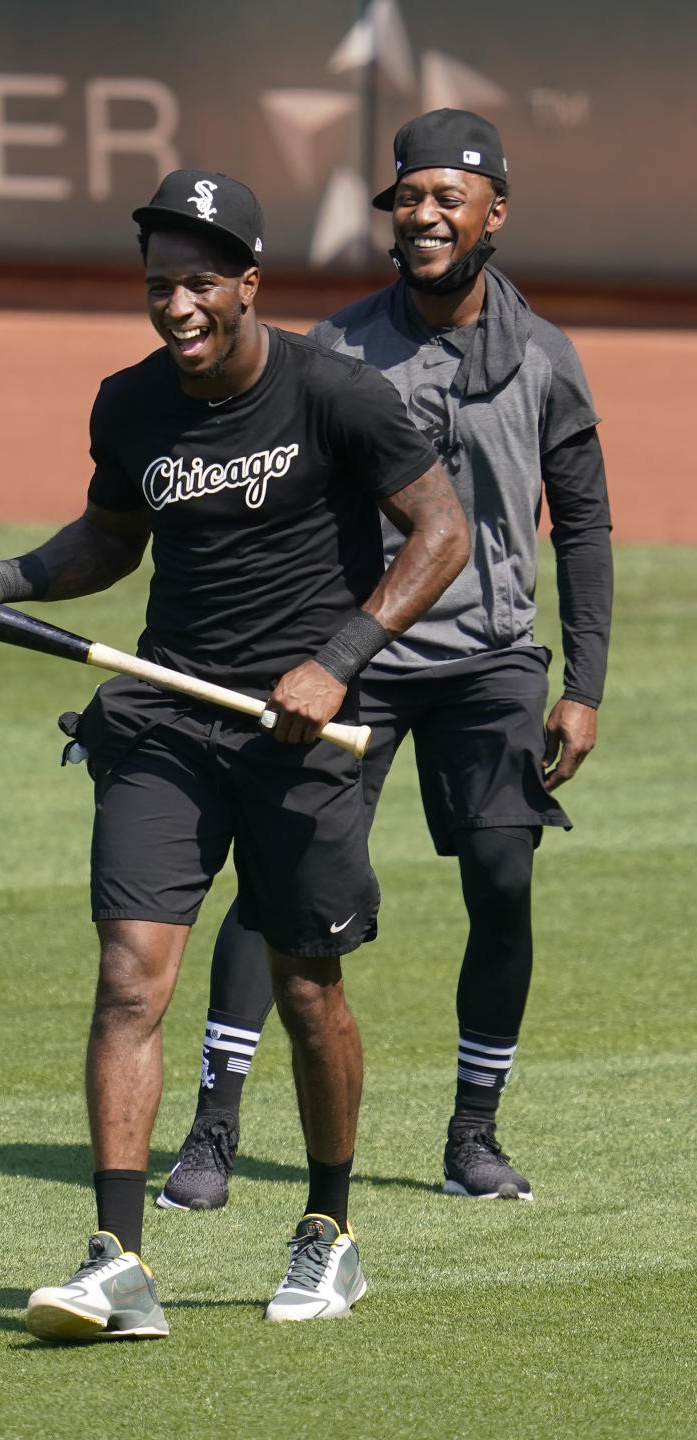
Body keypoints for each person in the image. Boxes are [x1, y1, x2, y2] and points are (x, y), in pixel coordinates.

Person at [0, 168, 470, 1337]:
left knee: (311, 993)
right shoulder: (131, 404)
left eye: (201, 286)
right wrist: (1, 580)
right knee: (130, 976)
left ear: (249, 285)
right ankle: (119, 1260)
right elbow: (112, 537)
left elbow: (443, 532)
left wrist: (341, 655)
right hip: (164, 724)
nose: (178, 310)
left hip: (300, 734)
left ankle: (329, 1230)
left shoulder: (338, 395)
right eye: (161, 288)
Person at [159, 110, 613, 1212]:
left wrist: (583, 685)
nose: (424, 214)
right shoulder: (338, 352)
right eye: (408, 196)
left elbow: (585, 521)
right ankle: (213, 1131)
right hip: (351, 652)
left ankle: (473, 1134)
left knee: (505, 880)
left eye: (448, 197)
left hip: (492, 662)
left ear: (493, 213)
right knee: (277, 886)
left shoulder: (546, 356)